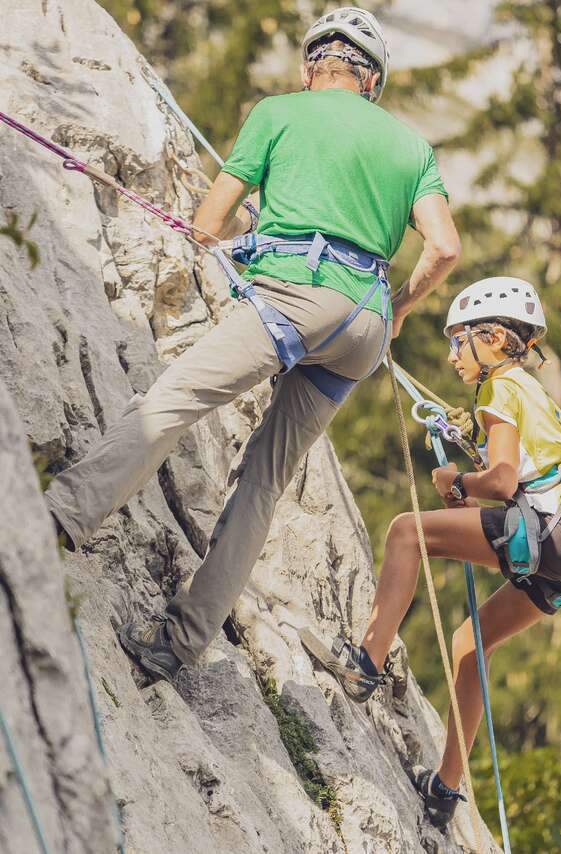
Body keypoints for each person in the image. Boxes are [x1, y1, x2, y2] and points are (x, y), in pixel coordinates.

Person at [44, 7, 460, 682]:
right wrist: (403, 310)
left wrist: (249, 229)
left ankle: (60, 516)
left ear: (311, 67)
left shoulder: (278, 112)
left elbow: (205, 226)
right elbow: (443, 247)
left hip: (294, 296)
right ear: (372, 80)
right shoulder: (412, 147)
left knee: (176, 397)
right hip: (365, 324)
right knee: (264, 479)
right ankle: (176, 645)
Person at [316, 277, 561, 828]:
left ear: (495, 337)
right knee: (469, 643)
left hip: (555, 530)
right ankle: (446, 788)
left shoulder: (501, 388)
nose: (453, 355)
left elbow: (500, 482)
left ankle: (365, 663)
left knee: (408, 530)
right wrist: (469, 441)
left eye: (460, 342)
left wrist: (457, 480)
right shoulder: (526, 391)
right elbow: (522, 471)